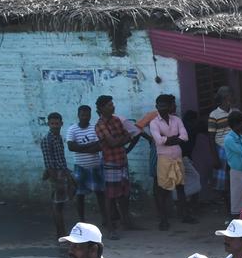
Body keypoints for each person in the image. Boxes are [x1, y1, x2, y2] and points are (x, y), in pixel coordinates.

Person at [136, 94, 191, 230]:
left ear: (169, 107)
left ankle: (184, 215)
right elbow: (158, 141)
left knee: (180, 187)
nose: (162, 108)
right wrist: (174, 139)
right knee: (163, 190)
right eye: (159, 106)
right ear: (156, 107)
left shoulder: (176, 120)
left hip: (177, 158)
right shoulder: (154, 122)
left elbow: (185, 137)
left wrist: (168, 139)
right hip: (164, 159)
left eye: (165, 105)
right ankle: (163, 219)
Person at [93, 95, 138, 239]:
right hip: (110, 163)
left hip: (121, 160)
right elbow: (113, 142)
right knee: (110, 196)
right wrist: (121, 140)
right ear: (101, 108)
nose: (113, 107)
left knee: (125, 193)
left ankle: (126, 221)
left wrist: (118, 140)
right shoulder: (100, 125)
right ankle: (110, 227)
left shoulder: (117, 120)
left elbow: (127, 136)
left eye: (112, 104)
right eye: (109, 105)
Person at [65, 104, 108, 233]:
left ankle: (105, 218)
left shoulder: (94, 128)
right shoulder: (72, 129)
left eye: (87, 115)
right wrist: (90, 146)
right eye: (83, 114)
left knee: (100, 193)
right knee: (80, 195)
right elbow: (71, 147)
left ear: (90, 116)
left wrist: (81, 147)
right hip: (80, 167)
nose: (85, 117)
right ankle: (81, 219)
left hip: (95, 166)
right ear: (78, 115)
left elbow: (99, 146)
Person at [39, 111, 74, 242]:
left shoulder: (58, 138)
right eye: (52, 123)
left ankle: (61, 233)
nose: (55, 126)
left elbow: (61, 159)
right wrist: (56, 180)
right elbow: (49, 164)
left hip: (62, 173)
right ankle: (61, 234)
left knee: (61, 205)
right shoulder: (47, 140)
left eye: (57, 123)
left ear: (61, 124)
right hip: (56, 175)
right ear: (48, 124)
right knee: (57, 205)